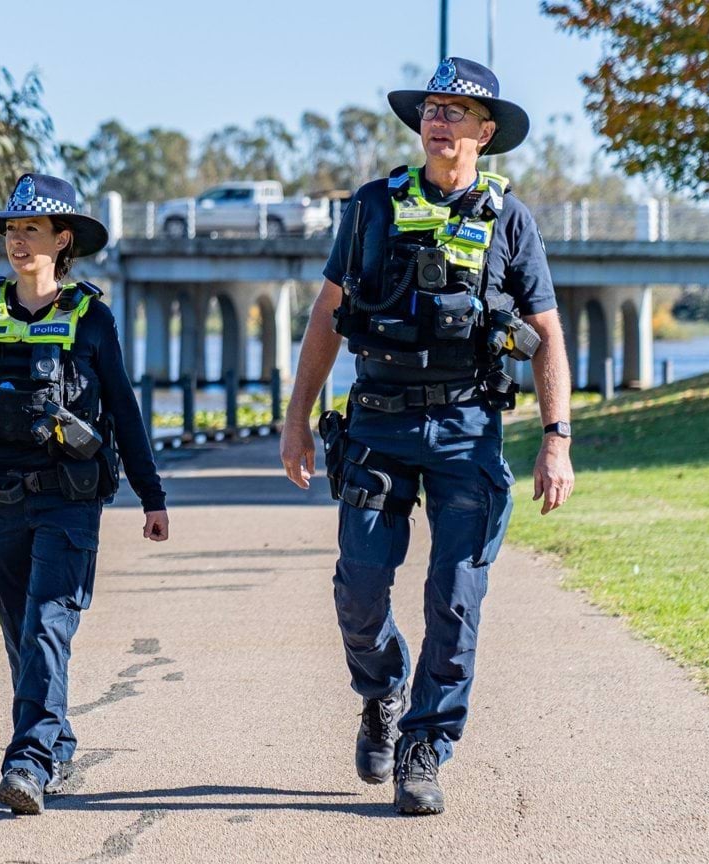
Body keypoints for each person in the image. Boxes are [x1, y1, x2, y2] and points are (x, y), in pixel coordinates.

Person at [279, 57, 576, 816]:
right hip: (378, 422)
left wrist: (556, 438)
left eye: (457, 111)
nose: (439, 120)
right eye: (431, 108)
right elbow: (327, 313)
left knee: (456, 596)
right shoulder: (374, 207)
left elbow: (546, 332)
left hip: (466, 429)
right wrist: (297, 415)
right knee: (359, 588)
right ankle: (382, 690)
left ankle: (424, 748)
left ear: (485, 133)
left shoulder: (510, 220)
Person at [0, 173, 169, 816]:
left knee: (47, 627)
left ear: (62, 241)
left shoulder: (91, 316)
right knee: (21, 635)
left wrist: (152, 494)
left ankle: (26, 762)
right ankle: (52, 740)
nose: (17, 240)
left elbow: (122, 407)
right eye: (10, 230)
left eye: (31, 229)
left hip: (69, 499)